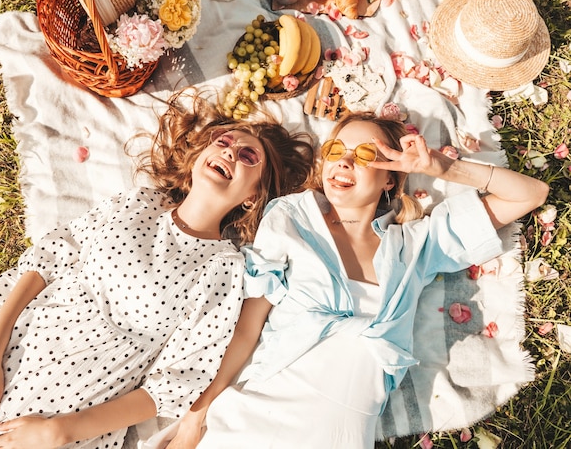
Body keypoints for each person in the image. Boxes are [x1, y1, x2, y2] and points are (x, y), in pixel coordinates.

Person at [0, 87, 315, 449]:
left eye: (248, 155)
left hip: (72, 409)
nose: (230, 151)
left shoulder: (224, 269)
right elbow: (49, 258)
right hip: (6, 356)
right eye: (222, 141)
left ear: (253, 196)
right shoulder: (140, 201)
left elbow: (172, 385)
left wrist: (58, 433)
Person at [167, 112, 550, 449]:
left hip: (341, 433)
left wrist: (443, 169)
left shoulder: (416, 246)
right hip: (253, 414)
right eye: (335, 150)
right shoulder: (291, 218)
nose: (345, 162)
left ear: (390, 178)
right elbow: (247, 330)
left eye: (366, 154)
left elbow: (531, 194)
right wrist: (195, 416)